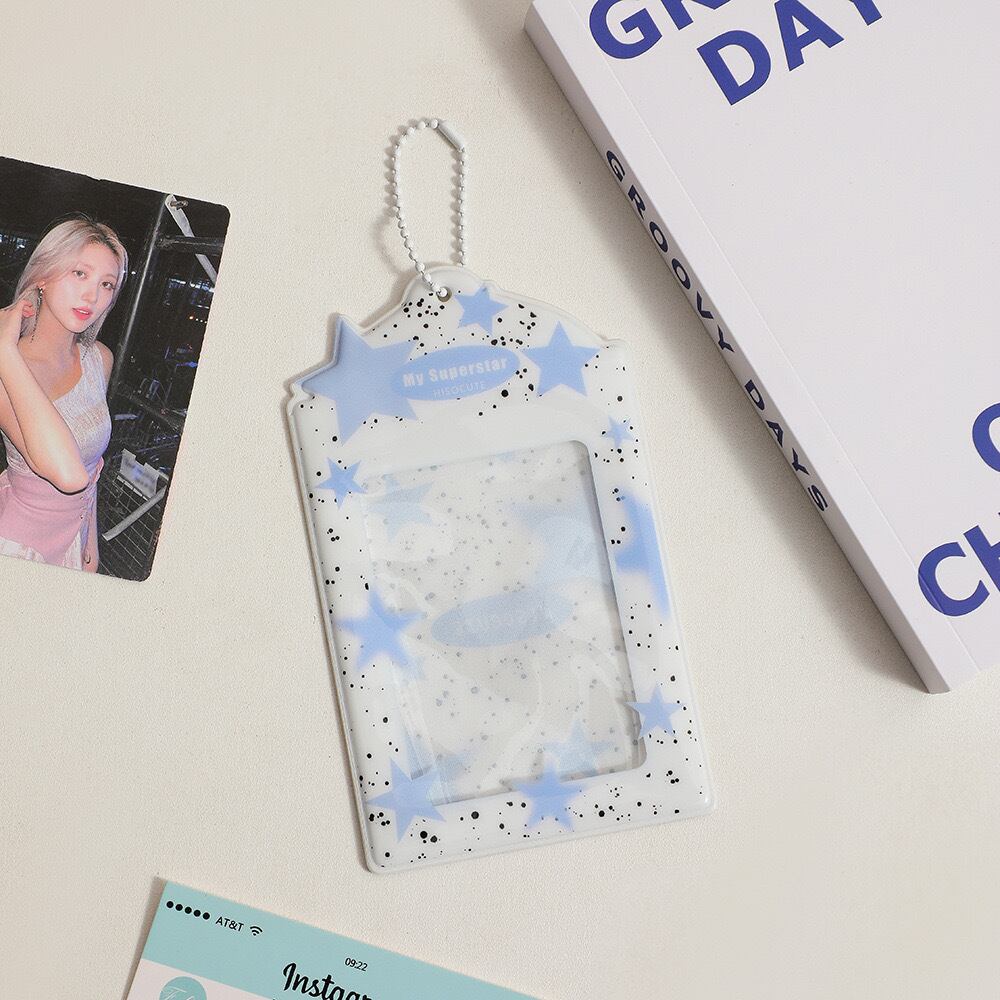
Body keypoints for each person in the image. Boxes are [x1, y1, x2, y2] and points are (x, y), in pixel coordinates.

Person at [0, 216, 128, 572]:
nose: (92, 296)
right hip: (21, 548)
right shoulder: (7, 370)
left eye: (106, 284)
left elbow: (91, 465)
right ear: (42, 275)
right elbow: (69, 475)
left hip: (74, 536)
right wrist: (5, 352)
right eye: (80, 274)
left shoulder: (99, 359)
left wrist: (90, 537)